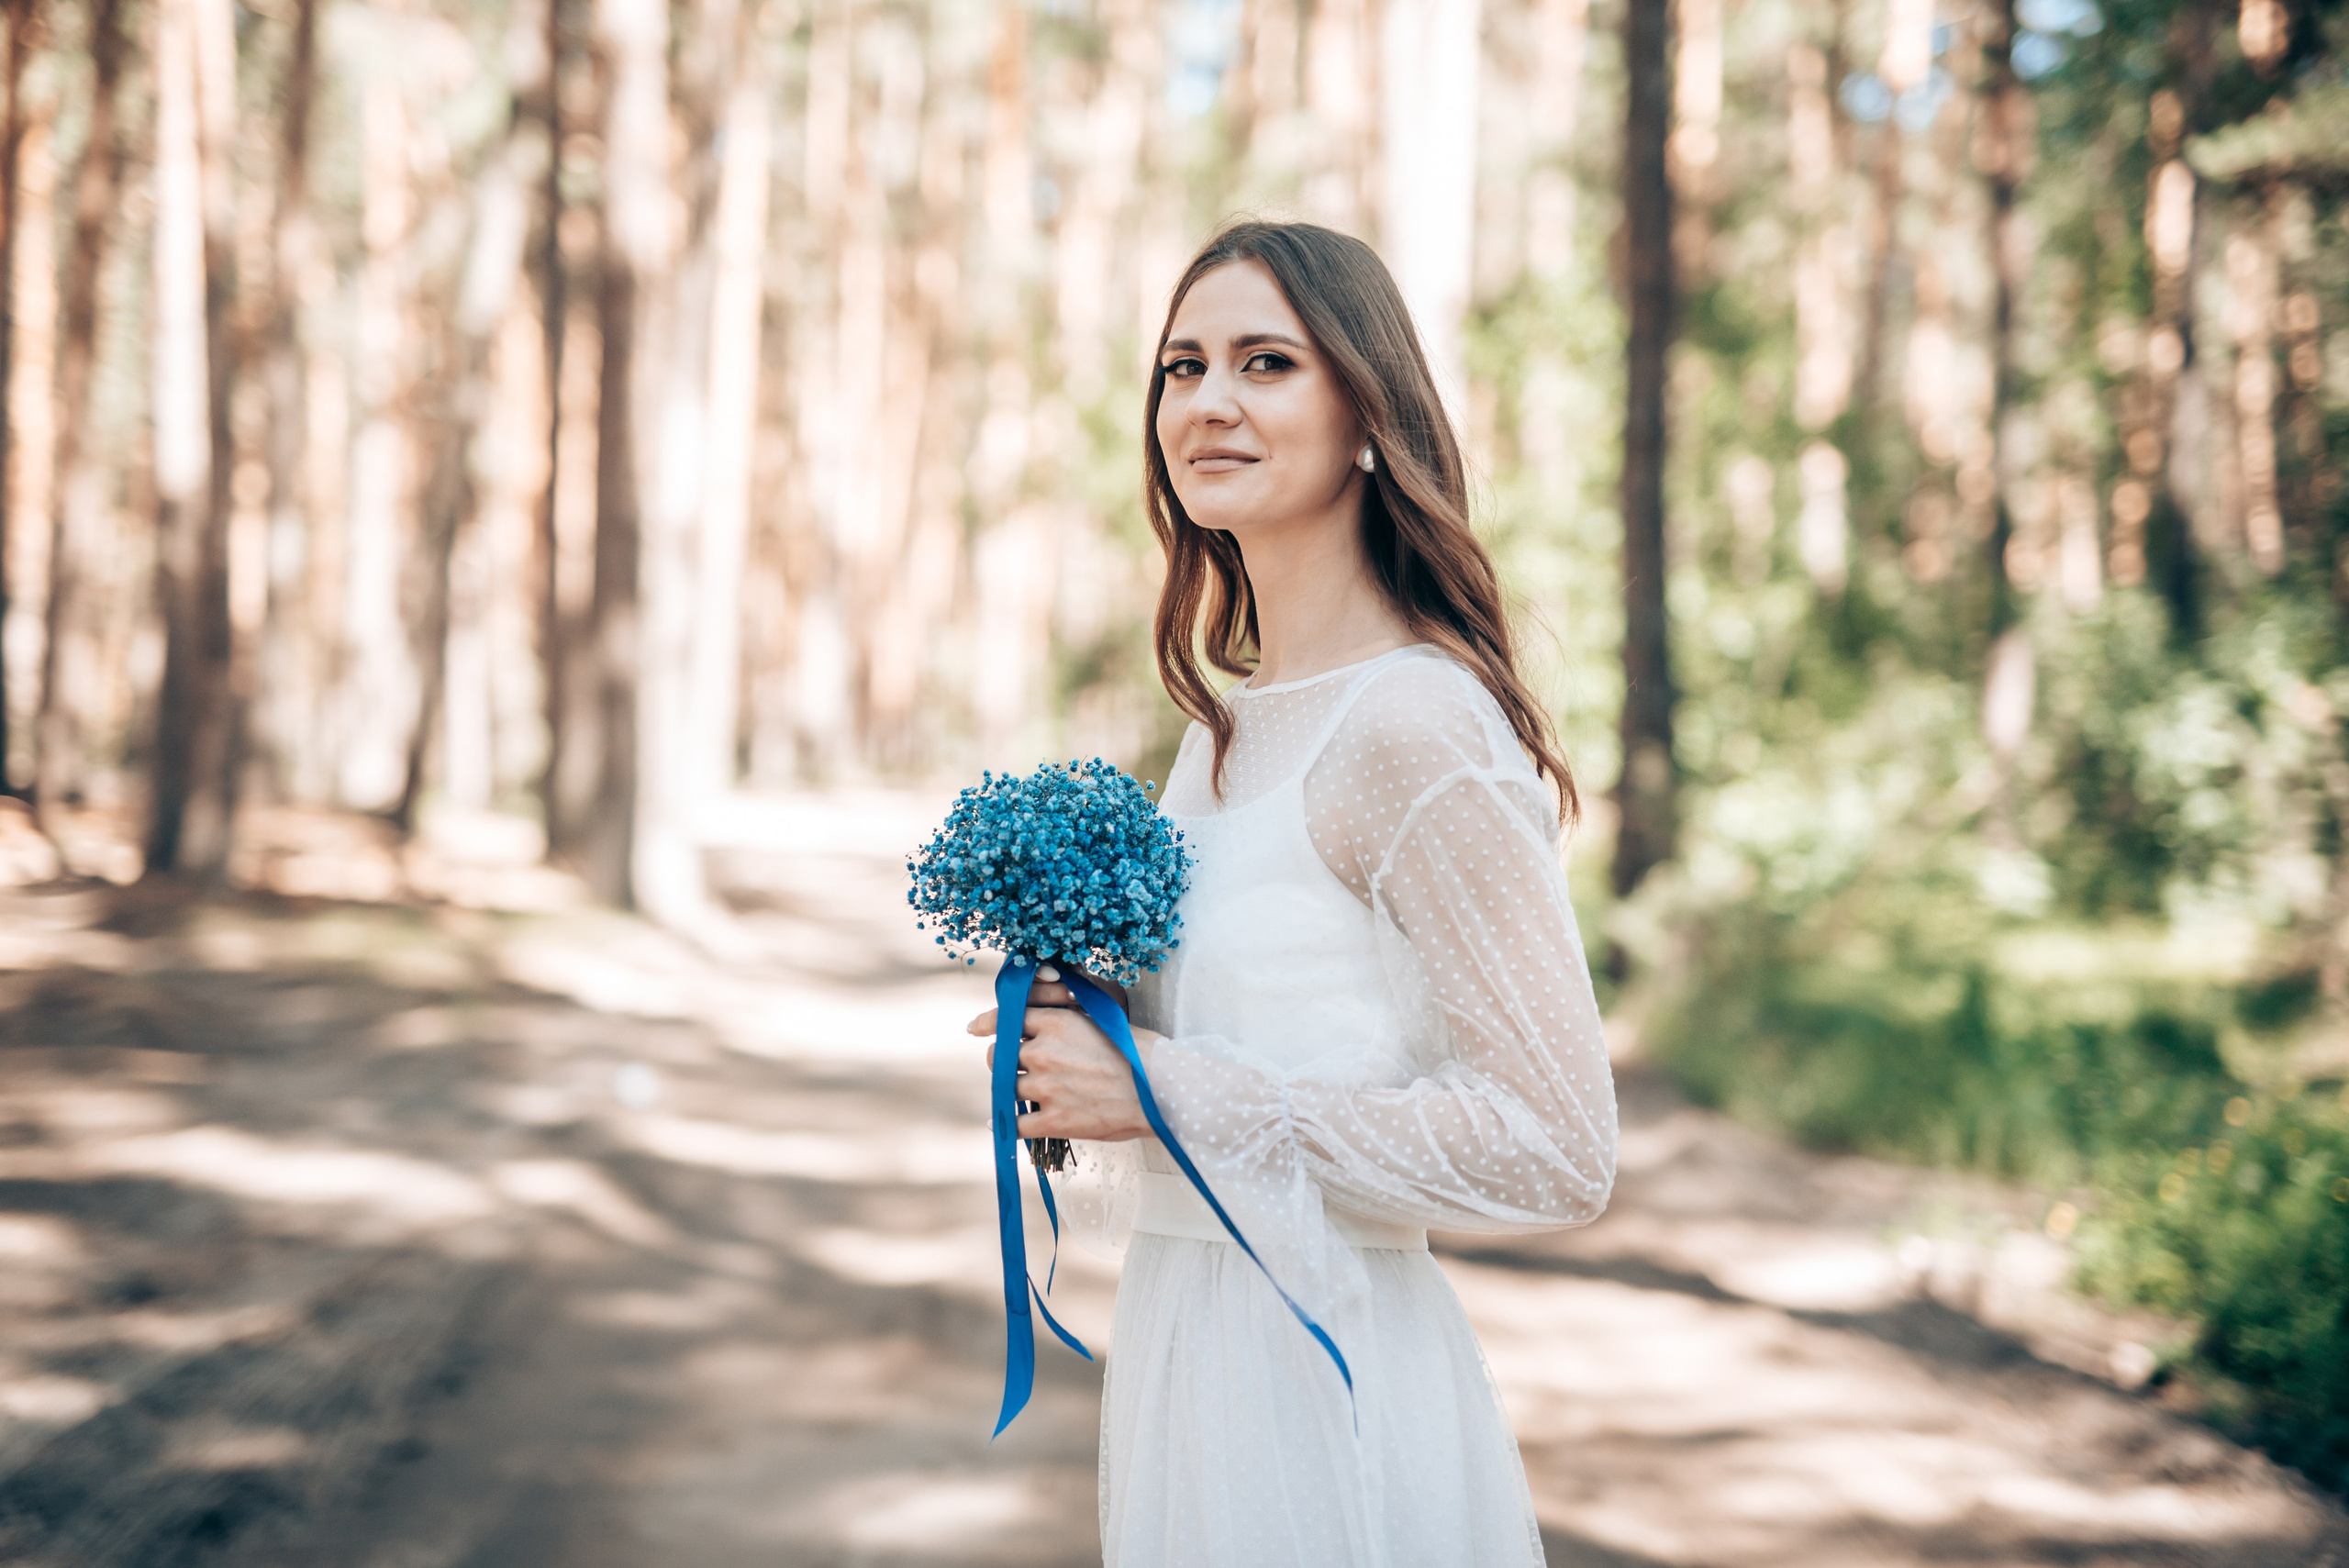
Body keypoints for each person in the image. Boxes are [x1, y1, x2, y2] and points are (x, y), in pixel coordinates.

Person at [967, 218, 1618, 1568]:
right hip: (1189, 1345)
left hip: (1328, 1376)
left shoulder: (1415, 724)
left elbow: (1559, 1141)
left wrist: (1159, 1084)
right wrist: (1073, 1030)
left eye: (1267, 363)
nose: (1208, 402)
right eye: (1181, 366)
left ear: (1369, 417)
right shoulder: (1224, 729)